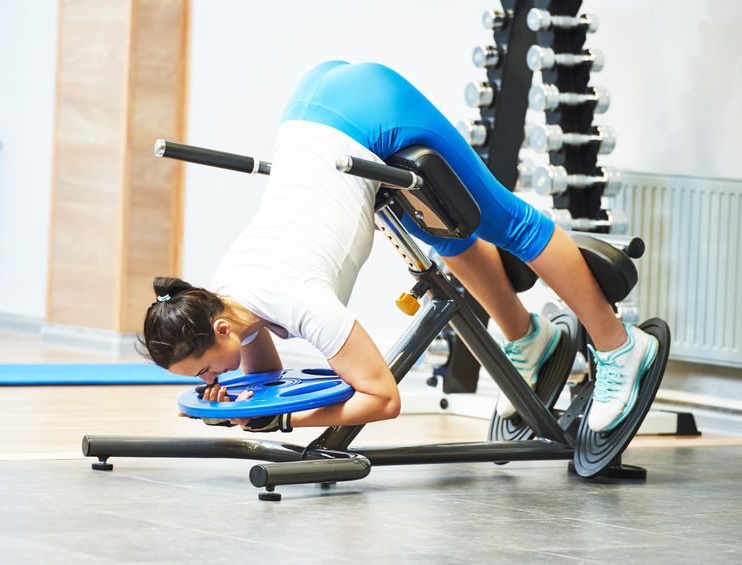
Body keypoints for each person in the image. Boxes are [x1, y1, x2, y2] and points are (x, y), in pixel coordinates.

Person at [140, 61, 658, 434]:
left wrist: (281, 420)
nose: (211, 380)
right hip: (310, 111)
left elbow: (383, 398)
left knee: (505, 222)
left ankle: (619, 345)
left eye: (205, 371)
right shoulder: (223, 299)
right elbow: (266, 378)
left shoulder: (300, 301)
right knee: (442, 228)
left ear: (220, 331)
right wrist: (238, 406)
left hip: (364, 108)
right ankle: (528, 338)